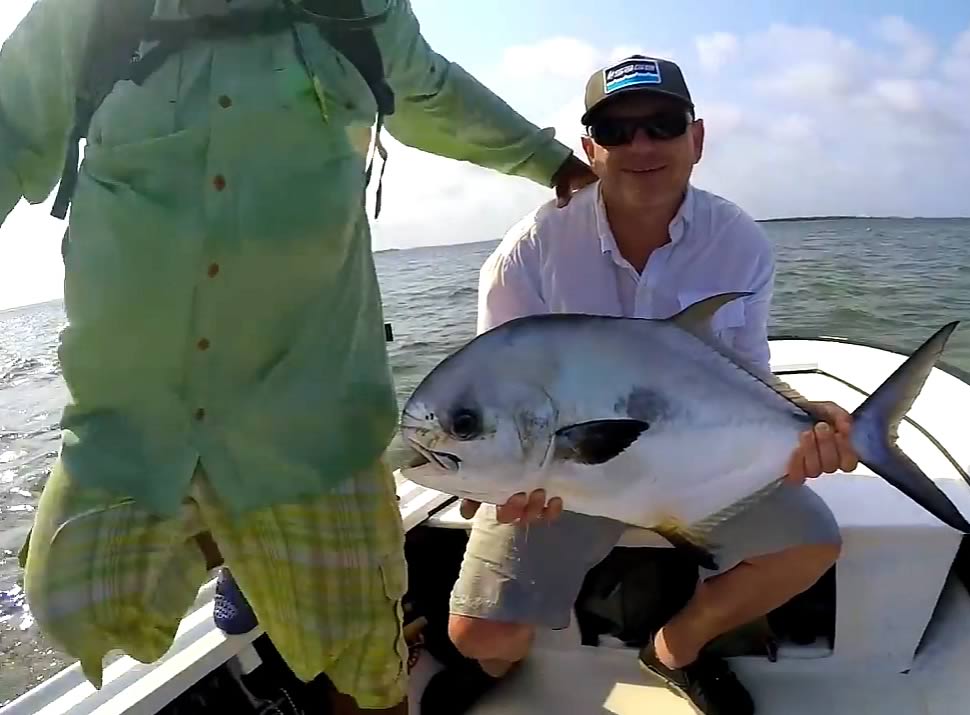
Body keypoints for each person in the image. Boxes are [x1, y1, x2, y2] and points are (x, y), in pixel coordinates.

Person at [2, 1, 594, 714]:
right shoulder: (91, 12)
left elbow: (430, 89)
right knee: (69, 603)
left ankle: (267, 559)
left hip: (308, 420)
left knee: (366, 664)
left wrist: (550, 161)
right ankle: (240, 548)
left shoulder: (359, 12)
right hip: (132, 419)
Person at [420, 55, 857, 715]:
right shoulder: (530, 250)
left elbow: (742, 374)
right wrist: (496, 487)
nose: (642, 145)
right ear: (589, 148)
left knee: (810, 543)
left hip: (694, 463)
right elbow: (494, 397)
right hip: (563, 478)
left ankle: (675, 647)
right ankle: (505, 661)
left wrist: (802, 419)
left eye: (662, 123)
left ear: (696, 138)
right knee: (478, 635)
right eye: (617, 131)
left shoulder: (736, 241)